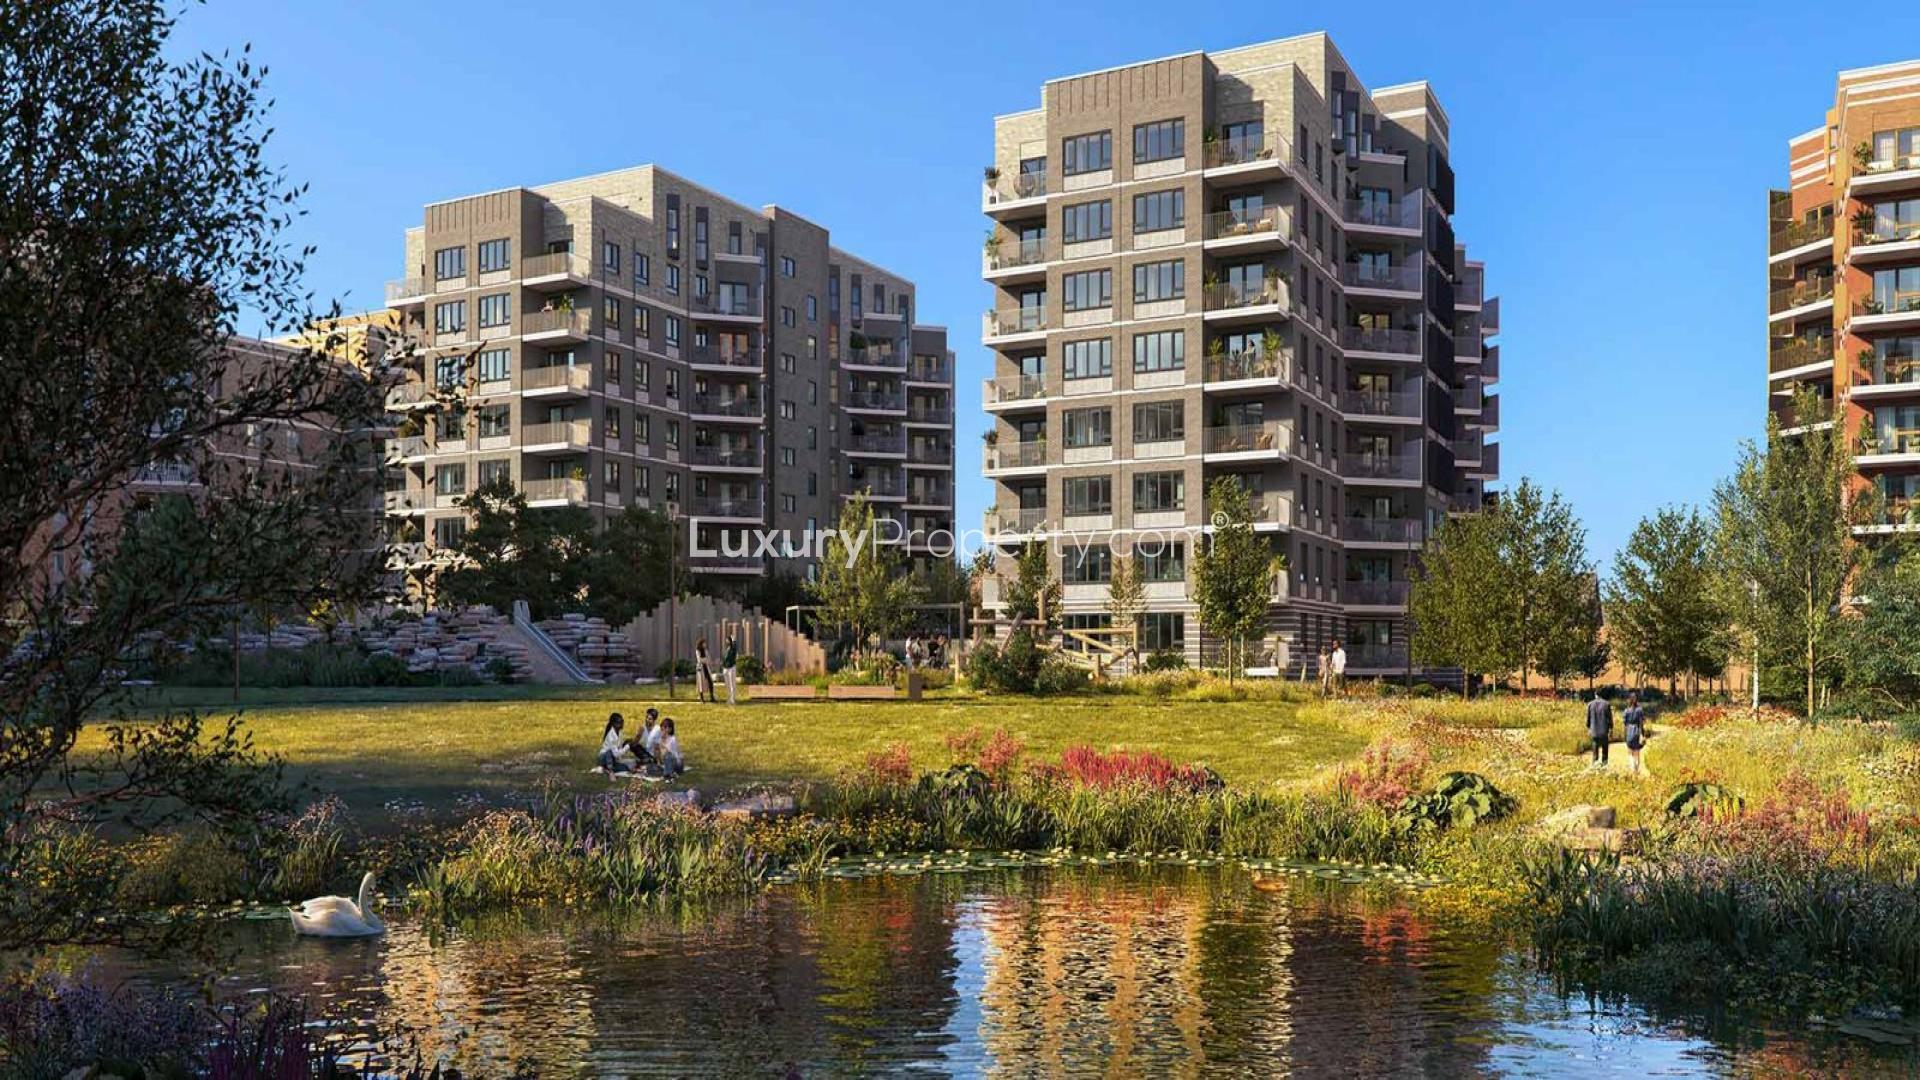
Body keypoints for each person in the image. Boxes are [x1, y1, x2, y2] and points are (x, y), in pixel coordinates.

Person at [1622, 692, 1648, 777]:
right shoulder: (1640, 710)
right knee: (1637, 753)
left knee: (1630, 753)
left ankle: (1633, 769)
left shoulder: (1626, 711)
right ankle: (1636, 770)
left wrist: (1624, 735)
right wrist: (1642, 734)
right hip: (1637, 732)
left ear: (1629, 700)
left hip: (1629, 732)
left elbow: (1624, 723)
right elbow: (1642, 722)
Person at [1586, 689, 1613, 767]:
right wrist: (1611, 728)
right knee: (1605, 749)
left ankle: (1595, 764)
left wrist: (1589, 727)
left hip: (1594, 730)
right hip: (1604, 730)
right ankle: (1604, 764)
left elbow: (1588, 718)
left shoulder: (1590, 704)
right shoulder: (1606, 704)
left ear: (1595, 694)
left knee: (1595, 749)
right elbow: (1610, 718)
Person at [694, 638, 715, 703]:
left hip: (706, 668)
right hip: (700, 668)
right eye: (704, 643)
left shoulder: (706, 651)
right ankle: (701, 698)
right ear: (701, 644)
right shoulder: (697, 651)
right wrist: (706, 659)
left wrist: (706, 660)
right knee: (701, 683)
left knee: (710, 682)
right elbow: (699, 660)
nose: (705, 644)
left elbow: (709, 659)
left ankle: (712, 697)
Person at [721, 632, 739, 705]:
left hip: (731, 667)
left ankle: (732, 699)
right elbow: (725, 658)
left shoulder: (733, 648)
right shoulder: (727, 649)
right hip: (726, 668)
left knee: (732, 684)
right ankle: (729, 699)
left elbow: (735, 645)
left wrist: (733, 639)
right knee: (727, 684)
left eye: (727, 640)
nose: (726, 641)